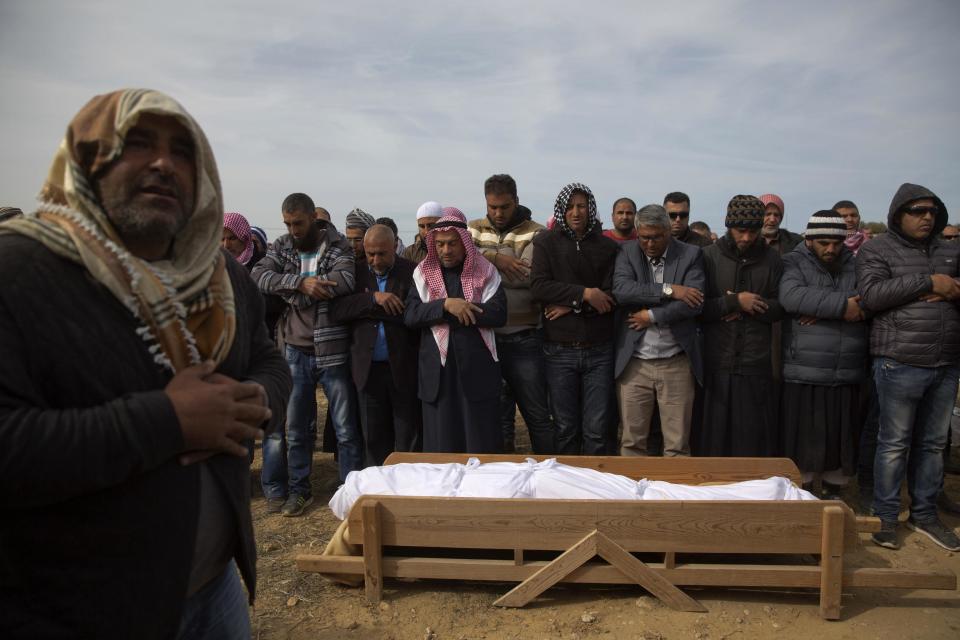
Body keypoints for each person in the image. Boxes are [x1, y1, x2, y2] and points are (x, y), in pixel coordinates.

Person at [0, 89, 291, 639]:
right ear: (85, 160)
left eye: (184, 151)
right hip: (75, 608)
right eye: (137, 144)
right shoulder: (20, 271)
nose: (164, 163)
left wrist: (255, 401)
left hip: (215, 591)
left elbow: (267, 359)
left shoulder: (220, 274)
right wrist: (169, 421)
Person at [857, 183, 960, 551]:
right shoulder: (876, 250)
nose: (926, 217)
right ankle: (885, 516)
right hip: (898, 361)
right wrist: (928, 282)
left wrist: (954, 287)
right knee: (894, 443)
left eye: (931, 210)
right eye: (917, 211)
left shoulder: (951, 251)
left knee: (933, 444)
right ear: (899, 214)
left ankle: (925, 513)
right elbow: (871, 296)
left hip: (946, 362)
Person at [252, 192, 361, 516]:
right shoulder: (282, 245)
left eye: (298, 222)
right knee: (296, 429)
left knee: (345, 428)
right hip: (295, 351)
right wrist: (301, 284)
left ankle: (350, 493)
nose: (293, 229)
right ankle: (299, 490)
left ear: (313, 217)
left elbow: (344, 281)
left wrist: (291, 287)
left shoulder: (338, 246)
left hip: (331, 350)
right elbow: (258, 275)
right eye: (287, 223)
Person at [779, 210, 869, 499]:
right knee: (803, 439)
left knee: (839, 439)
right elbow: (791, 297)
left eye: (836, 243)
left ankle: (835, 492)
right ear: (809, 240)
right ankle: (801, 493)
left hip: (846, 369)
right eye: (823, 243)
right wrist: (843, 308)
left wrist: (820, 309)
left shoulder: (857, 265)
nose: (830, 249)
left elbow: (870, 300)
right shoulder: (792, 262)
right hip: (803, 368)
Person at [404, 208, 507, 452]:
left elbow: (498, 314)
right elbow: (411, 315)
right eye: (439, 244)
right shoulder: (422, 275)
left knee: (479, 444)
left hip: (476, 370)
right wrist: (446, 305)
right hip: (438, 375)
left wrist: (454, 312)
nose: (445, 250)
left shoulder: (486, 272)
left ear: (464, 243)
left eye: (452, 244)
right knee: (442, 447)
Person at [469, 174, 555, 454]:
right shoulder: (469, 230)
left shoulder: (538, 233)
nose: (498, 213)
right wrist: (498, 259)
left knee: (537, 416)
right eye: (492, 207)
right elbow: (462, 271)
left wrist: (481, 264)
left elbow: (529, 277)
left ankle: (549, 476)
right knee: (496, 418)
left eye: (504, 207)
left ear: (516, 201)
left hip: (525, 340)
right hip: (486, 339)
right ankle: (502, 483)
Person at [531, 182, 619, 455]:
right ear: (561, 210)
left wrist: (573, 305)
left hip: (599, 350)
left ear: (590, 208)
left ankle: (595, 491)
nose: (576, 212)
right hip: (559, 350)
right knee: (565, 428)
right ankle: (567, 490)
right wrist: (584, 293)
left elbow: (611, 296)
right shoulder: (545, 242)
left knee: (596, 430)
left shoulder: (608, 246)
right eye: (570, 207)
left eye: (581, 206)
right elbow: (539, 287)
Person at [612, 204, 705, 457]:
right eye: (644, 238)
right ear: (637, 232)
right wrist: (670, 290)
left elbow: (693, 304)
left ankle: (675, 497)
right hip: (635, 363)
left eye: (657, 237)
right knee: (632, 442)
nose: (650, 244)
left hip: (676, 362)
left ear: (668, 232)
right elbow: (622, 291)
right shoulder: (627, 252)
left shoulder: (691, 254)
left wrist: (651, 315)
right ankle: (632, 496)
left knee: (677, 445)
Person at [698, 195, 784, 456]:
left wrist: (751, 307)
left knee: (751, 444)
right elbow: (696, 307)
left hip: (755, 365)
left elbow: (783, 307)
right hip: (716, 363)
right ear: (728, 226)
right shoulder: (707, 257)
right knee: (713, 444)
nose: (746, 238)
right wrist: (733, 302)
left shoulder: (774, 260)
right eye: (740, 231)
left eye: (752, 231)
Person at [331, 224, 421, 465]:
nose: (375, 259)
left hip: (402, 368)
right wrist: (374, 298)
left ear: (395, 246)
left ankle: (406, 491)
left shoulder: (413, 273)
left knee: (407, 435)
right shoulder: (355, 273)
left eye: (382, 253)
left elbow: (412, 316)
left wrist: (366, 311)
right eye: (370, 253)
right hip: (367, 370)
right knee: (373, 437)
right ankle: (378, 487)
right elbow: (338, 310)